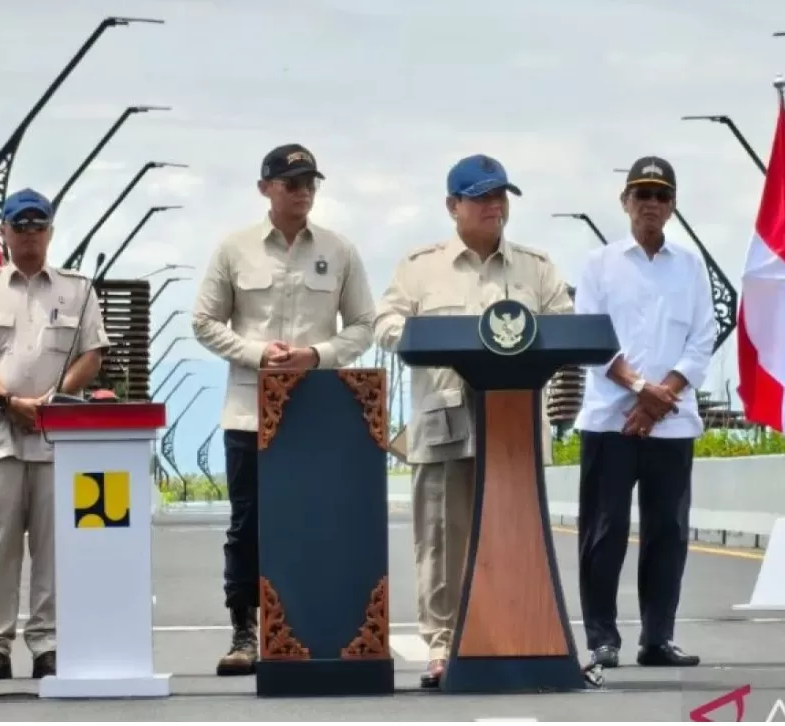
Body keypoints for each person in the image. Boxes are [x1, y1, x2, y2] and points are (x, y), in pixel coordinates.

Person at [374, 154, 572, 688]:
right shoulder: (421, 267)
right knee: (441, 540)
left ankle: (513, 636)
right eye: (482, 196)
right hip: (445, 420)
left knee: (515, 535)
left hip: (515, 427)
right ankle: (443, 646)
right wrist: (428, 338)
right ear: (452, 206)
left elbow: (565, 326)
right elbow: (387, 323)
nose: (494, 205)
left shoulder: (537, 267)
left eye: (500, 195)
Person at [191, 144, 376, 676]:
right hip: (251, 410)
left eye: (310, 182)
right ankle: (245, 633)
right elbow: (204, 321)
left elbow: (364, 324)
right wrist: (257, 354)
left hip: (317, 413)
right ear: (265, 188)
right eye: (291, 182)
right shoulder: (235, 249)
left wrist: (317, 355)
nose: (303, 191)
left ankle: (315, 624)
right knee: (248, 523)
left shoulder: (339, 250)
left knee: (317, 520)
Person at [573, 157, 716, 669]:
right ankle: (602, 639)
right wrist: (638, 389)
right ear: (625, 202)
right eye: (642, 194)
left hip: (671, 424)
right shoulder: (598, 264)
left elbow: (702, 338)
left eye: (661, 195)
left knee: (668, 535)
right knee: (604, 533)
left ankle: (657, 638)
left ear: (672, 205)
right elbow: (590, 340)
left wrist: (660, 399)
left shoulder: (691, 265)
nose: (651, 204)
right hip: (610, 421)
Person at [0, 188, 110, 680]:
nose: (29, 235)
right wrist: (9, 401)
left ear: (49, 231)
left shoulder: (78, 288)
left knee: (52, 547)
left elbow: (92, 353)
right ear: (4, 232)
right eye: (19, 226)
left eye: (38, 226)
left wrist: (54, 399)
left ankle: (47, 641)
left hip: (55, 439)